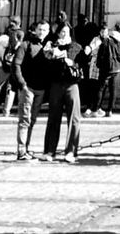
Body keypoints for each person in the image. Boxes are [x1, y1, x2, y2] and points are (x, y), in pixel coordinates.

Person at [39, 21, 83, 162]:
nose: (65, 34)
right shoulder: (50, 46)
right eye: (62, 31)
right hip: (56, 84)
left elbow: (81, 63)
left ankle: (71, 151)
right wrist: (53, 55)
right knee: (53, 117)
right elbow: (45, 65)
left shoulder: (76, 47)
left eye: (67, 32)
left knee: (74, 118)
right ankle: (50, 151)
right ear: (58, 33)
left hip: (72, 85)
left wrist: (68, 60)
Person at [11, 19, 51, 160]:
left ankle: (26, 148)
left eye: (45, 30)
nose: (42, 32)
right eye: (40, 29)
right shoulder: (25, 45)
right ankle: (21, 150)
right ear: (35, 30)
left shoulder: (47, 46)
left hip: (40, 89)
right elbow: (16, 65)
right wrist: (22, 84)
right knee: (24, 120)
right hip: (28, 88)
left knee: (32, 120)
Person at [0, 16, 23, 115]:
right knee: (11, 89)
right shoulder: (20, 33)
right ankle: (6, 111)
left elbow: (1, 49)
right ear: (19, 24)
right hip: (15, 65)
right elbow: (19, 48)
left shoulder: (7, 33)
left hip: (5, 65)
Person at [95, 21, 120, 117]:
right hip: (116, 67)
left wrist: (99, 65)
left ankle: (95, 109)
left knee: (100, 88)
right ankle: (110, 110)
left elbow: (101, 54)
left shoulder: (107, 40)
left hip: (107, 67)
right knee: (113, 89)